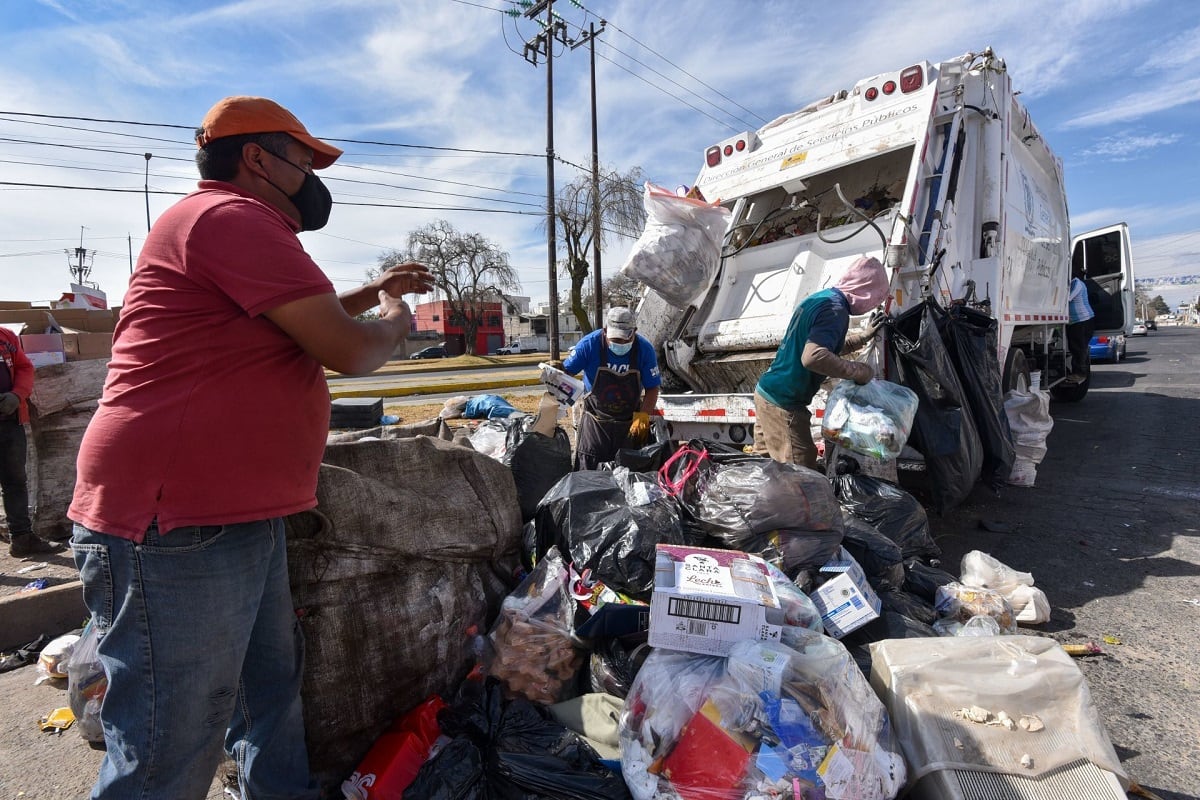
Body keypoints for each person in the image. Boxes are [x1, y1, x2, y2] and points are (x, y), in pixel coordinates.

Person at [67, 96, 435, 800]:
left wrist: (372, 289)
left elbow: (312, 313)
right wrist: (394, 314)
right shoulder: (230, 219)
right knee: (168, 744)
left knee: (267, 695)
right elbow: (353, 350)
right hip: (176, 522)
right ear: (258, 159)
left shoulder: (235, 227)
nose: (313, 176)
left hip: (231, 515)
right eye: (304, 160)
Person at [753, 256, 890, 469]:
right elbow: (813, 356)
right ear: (866, 291)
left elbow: (823, 345)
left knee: (765, 470)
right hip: (783, 403)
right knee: (800, 474)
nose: (873, 304)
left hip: (766, 394)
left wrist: (862, 337)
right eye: (875, 298)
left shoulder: (821, 299)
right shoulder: (836, 311)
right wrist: (858, 371)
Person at [561, 306, 662, 470]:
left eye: (624, 339)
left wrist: (641, 426)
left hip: (630, 422)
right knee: (588, 475)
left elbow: (652, 389)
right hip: (595, 423)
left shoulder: (645, 349)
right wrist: (556, 375)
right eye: (615, 340)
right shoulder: (588, 345)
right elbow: (566, 374)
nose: (620, 344)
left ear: (634, 331)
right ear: (605, 330)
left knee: (632, 472)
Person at [0, 328, 59, 557]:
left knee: (15, 482)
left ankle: (22, 539)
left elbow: (24, 367)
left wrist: (17, 395)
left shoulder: (6, 337)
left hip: (9, 422)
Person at [1065, 268, 1096, 383]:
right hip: (1079, 321)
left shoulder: (1076, 283)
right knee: (1077, 347)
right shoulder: (1076, 283)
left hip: (1082, 320)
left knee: (1078, 348)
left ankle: (1080, 373)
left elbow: (1067, 298)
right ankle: (1080, 372)